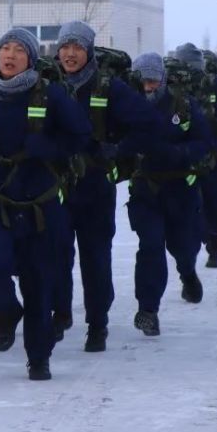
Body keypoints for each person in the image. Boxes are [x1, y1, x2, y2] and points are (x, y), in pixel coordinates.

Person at [0, 28, 92, 380]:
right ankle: (5, 313)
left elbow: (81, 135)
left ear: (30, 59)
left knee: (38, 285)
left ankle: (39, 358)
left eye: (19, 49)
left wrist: (48, 148)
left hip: (41, 206)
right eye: (6, 47)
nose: (10, 53)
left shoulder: (50, 95)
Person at [52, 22, 159, 351]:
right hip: (52, 186)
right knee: (53, 254)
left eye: (78, 48)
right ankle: (60, 313)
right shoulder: (46, 83)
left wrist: (118, 150)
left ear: (89, 52)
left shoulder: (108, 88)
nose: (70, 54)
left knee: (95, 258)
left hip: (95, 185)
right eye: (65, 47)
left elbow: (148, 124)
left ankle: (97, 324)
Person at [125, 53, 212, 337]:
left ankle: (187, 272)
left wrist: (181, 153)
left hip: (181, 190)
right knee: (150, 246)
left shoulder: (183, 105)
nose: (147, 87)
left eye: (152, 81)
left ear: (162, 79)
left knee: (183, 247)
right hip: (145, 192)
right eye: (142, 82)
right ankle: (148, 310)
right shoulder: (127, 105)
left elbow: (204, 141)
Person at [173, 43, 217, 268]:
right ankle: (199, 254)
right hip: (190, 162)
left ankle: (215, 232)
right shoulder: (173, 88)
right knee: (194, 213)